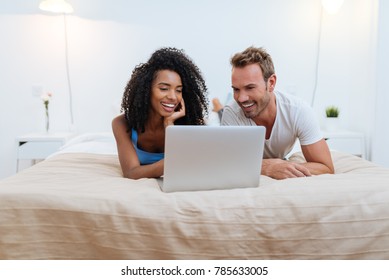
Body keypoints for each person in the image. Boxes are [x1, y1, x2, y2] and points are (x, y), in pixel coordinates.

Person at [221, 46, 334, 179]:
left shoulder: (298, 110)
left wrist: (285, 167)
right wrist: (268, 167)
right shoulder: (232, 112)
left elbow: (325, 167)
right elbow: (228, 164)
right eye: (236, 89)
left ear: (271, 83)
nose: (241, 98)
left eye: (250, 87)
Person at [112, 47, 208, 179]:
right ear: (146, 89)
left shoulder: (192, 124)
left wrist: (169, 125)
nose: (173, 97)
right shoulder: (121, 124)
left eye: (179, 90)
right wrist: (175, 162)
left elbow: (192, 167)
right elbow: (131, 172)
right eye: (164, 88)